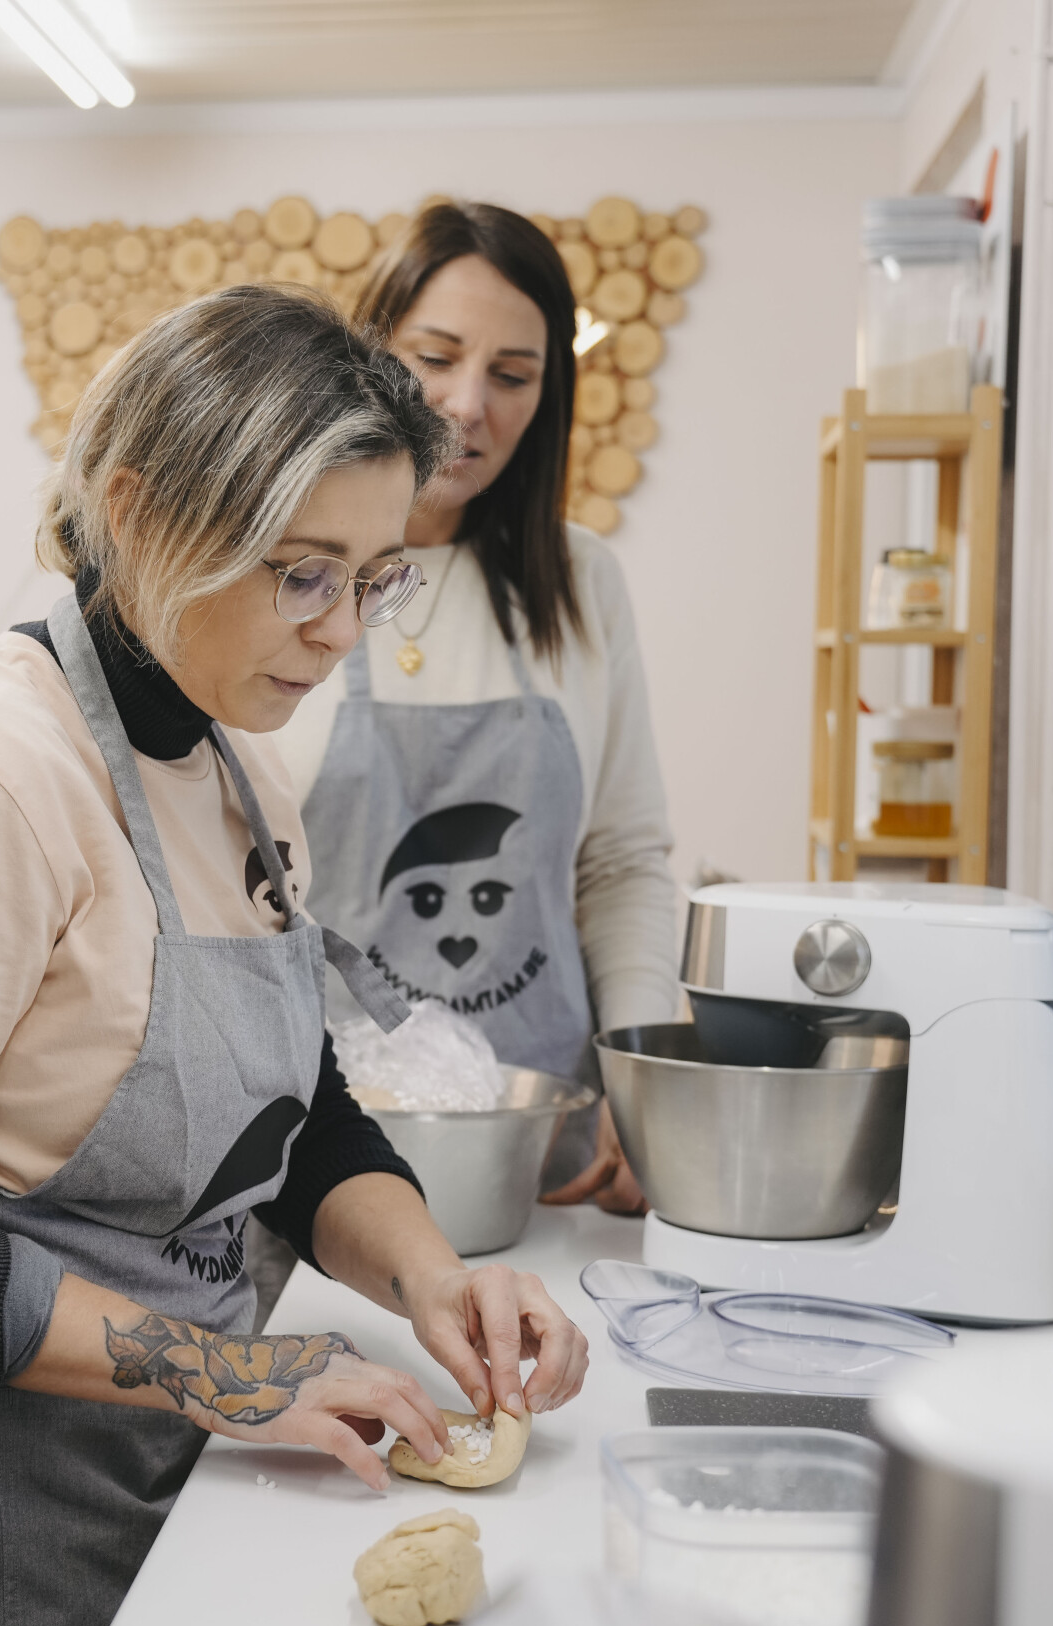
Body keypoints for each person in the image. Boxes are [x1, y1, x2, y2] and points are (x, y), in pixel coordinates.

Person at [0, 286, 591, 1626]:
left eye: (374, 578)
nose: (340, 631)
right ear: (136, 512)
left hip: (143, 1463)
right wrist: (226, 1368)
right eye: (303, 571)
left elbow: (300, 1110)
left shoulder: (236, 767)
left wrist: (433, 1276)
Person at [276, 201, 682, 1216]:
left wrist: (644, 1092)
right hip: (316, 1157)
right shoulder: (286, 571)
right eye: (436, 356)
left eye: (512, 376)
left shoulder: (581, 582)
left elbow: (623, 861)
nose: (466, 405)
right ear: (369, 352)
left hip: (541, 1151)